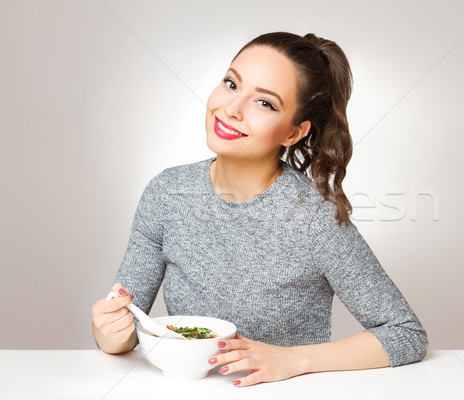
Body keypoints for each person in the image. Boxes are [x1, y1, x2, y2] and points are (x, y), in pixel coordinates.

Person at [91, 31, 428, 387]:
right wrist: (111, 331)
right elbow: (123, 332)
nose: (231, 109)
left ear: (293, 133)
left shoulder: (313, 218)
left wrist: (295, 360)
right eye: (232, 84)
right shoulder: (167, 193)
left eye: (264, 103)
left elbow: (406, 334)